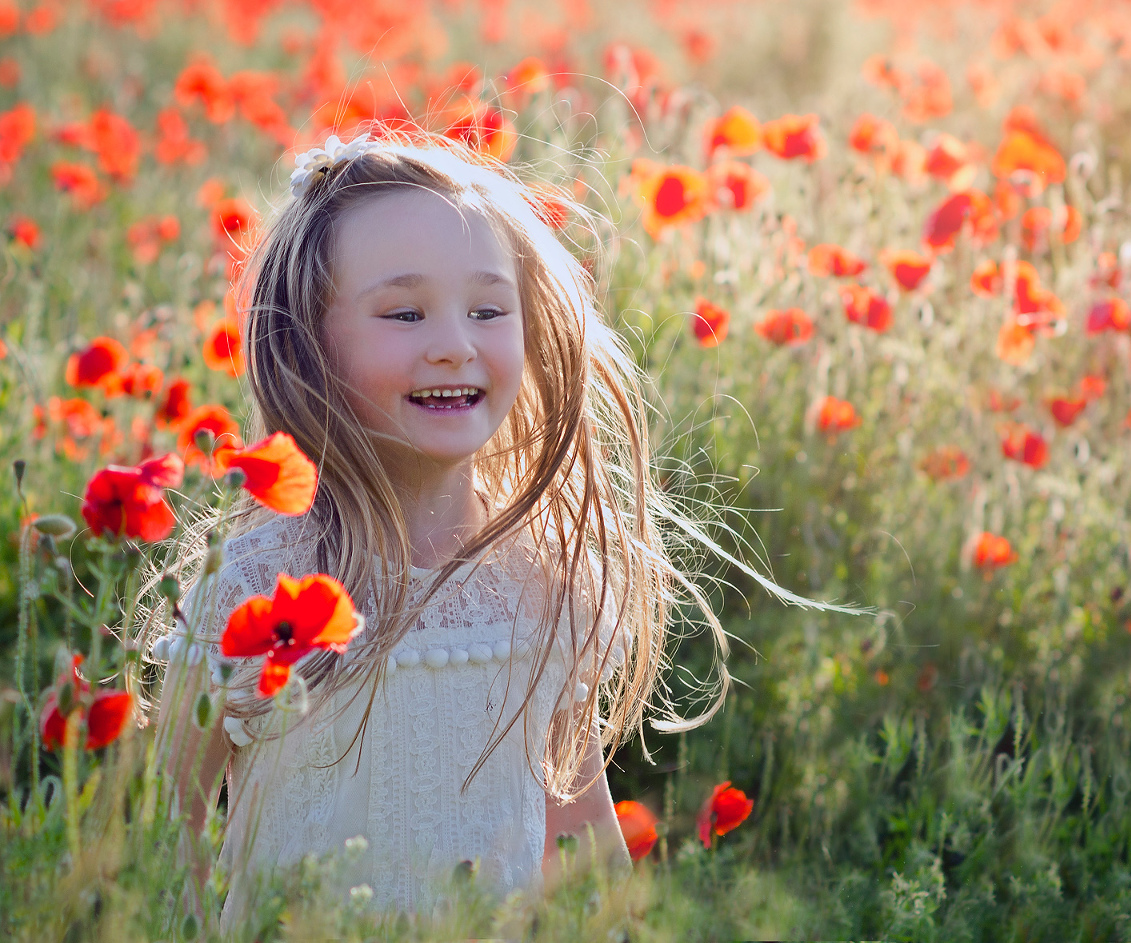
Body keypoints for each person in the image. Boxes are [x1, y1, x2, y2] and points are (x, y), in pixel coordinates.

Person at [146, 132, 850, 928]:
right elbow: (166, 842)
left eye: (487, 309)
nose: (454, 344)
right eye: (405, 313)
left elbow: (581, 842)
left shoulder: (541, 583)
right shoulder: (248, 591)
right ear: (306, 342)